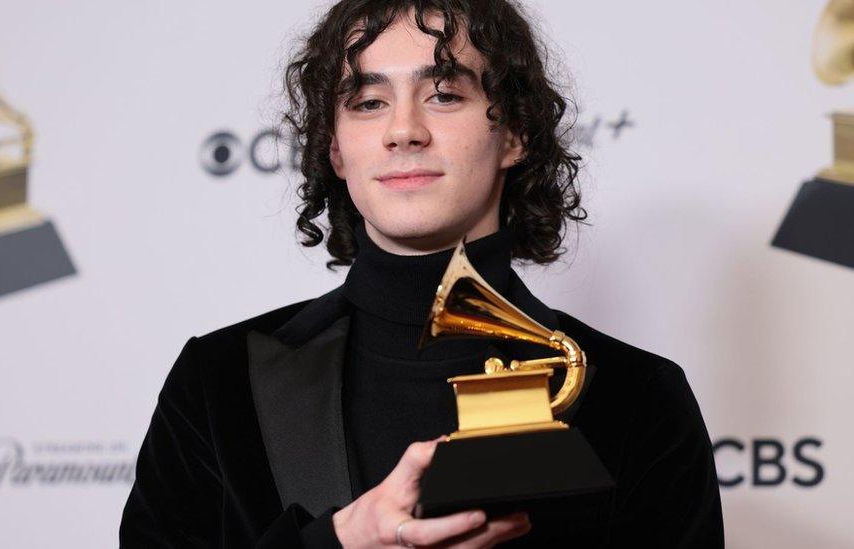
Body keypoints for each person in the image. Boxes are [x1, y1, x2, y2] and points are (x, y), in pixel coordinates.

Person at [120, 0, 724, 547]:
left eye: (443, 94)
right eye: (368, 102)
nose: (403, 130)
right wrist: (337, 545)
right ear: (336, 149)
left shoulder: (637, 396)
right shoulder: (219, 380)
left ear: (514, 133)